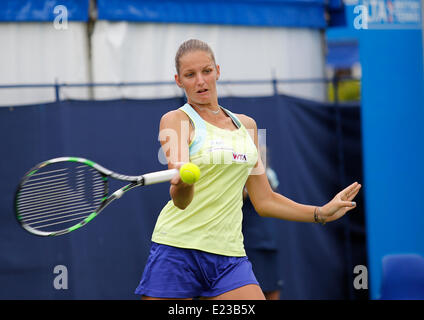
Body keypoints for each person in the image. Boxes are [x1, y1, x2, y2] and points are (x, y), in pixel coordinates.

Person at [134, 39, 362, 300]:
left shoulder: (248, 126)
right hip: (177, 251)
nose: (200, 81)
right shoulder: (175, 120)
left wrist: (320, 212)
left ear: (217, 71)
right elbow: (181, 201)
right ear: (179, 80)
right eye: (190, 75)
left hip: (229, 256)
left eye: (206, 71)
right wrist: (184, 182)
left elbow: (264, 200)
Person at [242, 146, 283, 300]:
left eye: (264, 153)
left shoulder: (271, 176)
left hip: (270, 245)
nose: (262, 156)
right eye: (259, 153)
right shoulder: (242, 177)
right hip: (250, 245)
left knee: (273, 292)